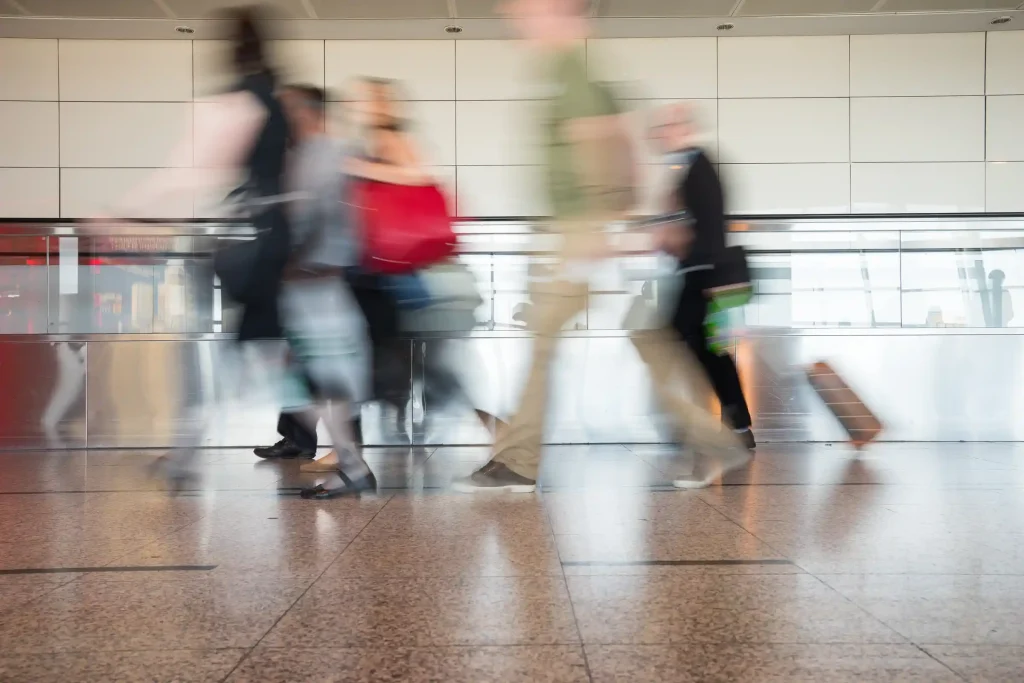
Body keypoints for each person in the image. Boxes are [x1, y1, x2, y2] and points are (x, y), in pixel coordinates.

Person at [454, 0, 750, 493]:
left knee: (550, 344)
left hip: (580, 231)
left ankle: (520, 462)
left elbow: (602, 146)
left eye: (529, 9)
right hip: (581, 230)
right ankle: (714, 441)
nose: (518, 17)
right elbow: (624, 148)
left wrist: (596, 227)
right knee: (637, 338)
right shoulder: (574, 72)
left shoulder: (573, 73)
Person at [92, 5, 291, 488]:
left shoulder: (237, 102)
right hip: (280, 239)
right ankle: (347, 457)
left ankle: (184, 452)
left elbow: (193, 172)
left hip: (252, 244)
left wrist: (122, 211)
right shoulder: (279, 101)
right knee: (271, 351)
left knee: (215, 351)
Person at [273, 84, 377, 498]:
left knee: (324, 381)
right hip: (307, 286)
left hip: (319, 284)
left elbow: (314, 217)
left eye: (287, 109)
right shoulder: (302, 158)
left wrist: (288, 260)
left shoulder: (328, 155)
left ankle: (352, 466)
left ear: (309, 112)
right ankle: (351, 465)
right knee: (306, 381)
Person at [652, 102, 755, 451]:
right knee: (708, 351)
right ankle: (736, 426)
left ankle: (698, 427)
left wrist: (673, 235)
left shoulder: (698, 169)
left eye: (667, 127)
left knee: (676, 343)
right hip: (702, 275)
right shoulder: (691, 169)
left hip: (703, 276)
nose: (661, 134)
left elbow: (704, 229)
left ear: (685, 129)